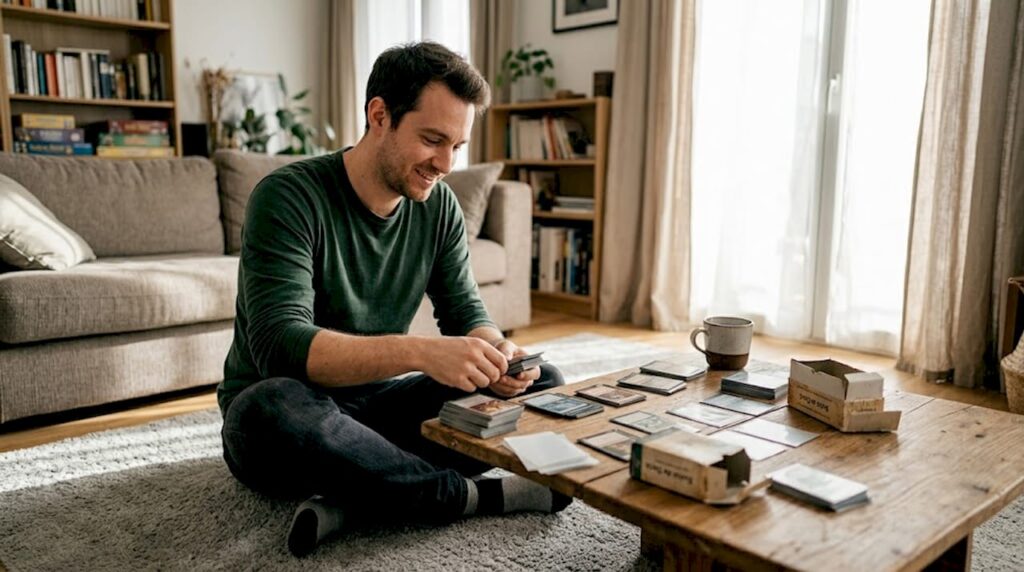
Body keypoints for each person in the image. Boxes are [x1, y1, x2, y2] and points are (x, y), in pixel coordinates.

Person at [218, 41, 571, 557]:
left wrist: (497, 354)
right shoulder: (288, 197)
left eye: (458, 145)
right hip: (287, 417)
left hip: (374, 412)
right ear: (379, 115)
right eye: (433, 139)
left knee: (542, 381)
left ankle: (356, 496)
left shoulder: (439, 207)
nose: (446, 163)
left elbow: (465, 311)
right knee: (267, 407)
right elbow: (279, 346)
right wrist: (420, 351)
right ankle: (468, 497)